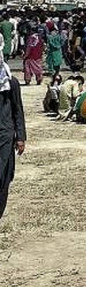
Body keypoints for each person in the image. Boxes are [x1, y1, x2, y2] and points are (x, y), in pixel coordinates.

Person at [0, 62, 26, 220]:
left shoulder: (11, 83)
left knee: (4, 176)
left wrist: (21, 137)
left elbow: (18, 109)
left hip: (5, 136)